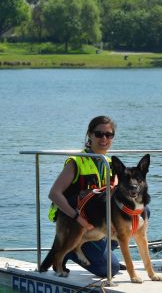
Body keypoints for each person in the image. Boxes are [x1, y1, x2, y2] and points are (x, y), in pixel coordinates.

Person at [47, 115, 121, 277]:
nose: (104, 138)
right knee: (110, 269)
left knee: (142, 212)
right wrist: (77, 218)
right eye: (99, 134)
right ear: (89, 134)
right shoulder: (77, 161)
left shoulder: (109, 163)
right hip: (74, 223)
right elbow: (54, 193)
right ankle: (71, 249)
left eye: (109, 135)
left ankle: (98, 252)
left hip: (96, 225)